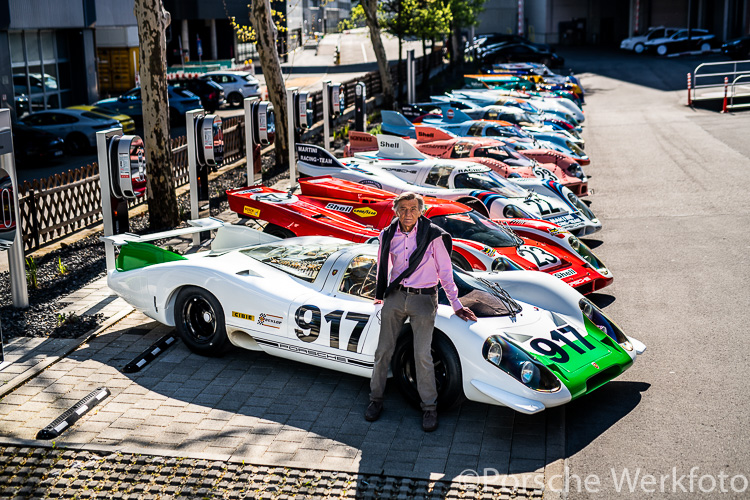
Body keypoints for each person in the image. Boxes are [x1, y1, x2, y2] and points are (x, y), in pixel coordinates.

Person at [365, 192, 477, 432]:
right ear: (396, 210)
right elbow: (382, 268)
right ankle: (376, 400)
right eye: (403, 209)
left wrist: (456, 303)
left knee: (422, 355)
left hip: (424, 299)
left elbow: (445, 272)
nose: (408, 213)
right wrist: (379, 296)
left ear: (420, 211)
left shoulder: (433, 235)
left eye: (413, 209)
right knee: (383, 351)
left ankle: (429, 408)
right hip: (396, 298)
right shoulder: (387, 235)